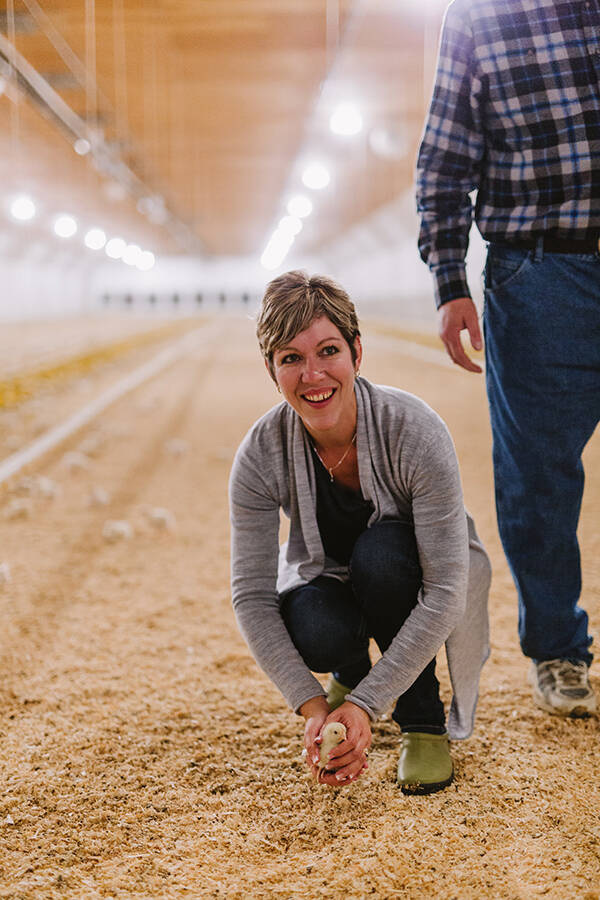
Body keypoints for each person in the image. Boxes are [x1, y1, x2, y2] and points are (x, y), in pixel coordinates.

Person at [229, 270, 491, 794]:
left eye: (328, 351)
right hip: (329, 578)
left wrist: (366, 706)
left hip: (407, 575)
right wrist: (314, 706)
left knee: (384, 556)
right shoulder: (260, 453)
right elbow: (253, 596)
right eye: (291, 359)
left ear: (356, 353)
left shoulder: (415, 430)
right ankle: (348, 671)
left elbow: (443, 592)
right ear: (270, 370)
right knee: (313, 627)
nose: (312, 375)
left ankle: (422, 724)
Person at [416, 0, 599, 717]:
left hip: (546, 272)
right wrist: (449, 282)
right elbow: (444, 160)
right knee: (539, 480)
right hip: (540, 277)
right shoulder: (480, 16)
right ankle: (558, 649)